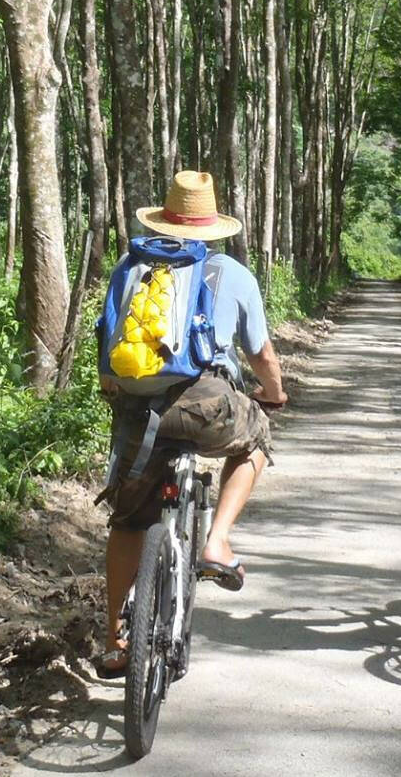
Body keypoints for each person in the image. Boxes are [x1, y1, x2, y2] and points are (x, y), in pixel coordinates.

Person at [97, 170, 288, 677]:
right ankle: (217, 541)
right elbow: (262, 355)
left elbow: (108, 351)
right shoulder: (233, 274)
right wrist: (273, 395)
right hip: (207, 404)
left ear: (164, 220)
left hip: (140, 411)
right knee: (256, 440)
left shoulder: (131, 267)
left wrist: (118, 391)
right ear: (213, 227)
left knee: (127, 521)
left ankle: (114, 640)